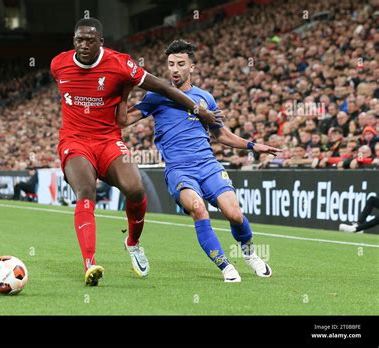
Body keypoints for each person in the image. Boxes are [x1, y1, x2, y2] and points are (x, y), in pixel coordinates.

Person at [50, 18, 222, 286]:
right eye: (79, 40)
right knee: (85, 190)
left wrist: (199, 111)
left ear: (101, 42)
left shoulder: (120, 64)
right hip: (75, 140)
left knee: (136, 188)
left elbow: (164, 88)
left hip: (108, 140)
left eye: (90, 40)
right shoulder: (58, 64)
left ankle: (133, 242)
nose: (83, 45)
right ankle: (90, 263)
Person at [117, 40, 281, 282]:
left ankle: (250, 255)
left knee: (234, 213)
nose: (174, 69)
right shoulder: (157, 96)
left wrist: (253, 145)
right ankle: (226, 266)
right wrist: (124, 91)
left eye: (181, 64)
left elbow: (222, 135)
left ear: (192, 67)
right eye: (171, 64)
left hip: (208, 165)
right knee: (198, 208)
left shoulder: (205, 98)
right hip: (179, 169)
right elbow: (123, 121)